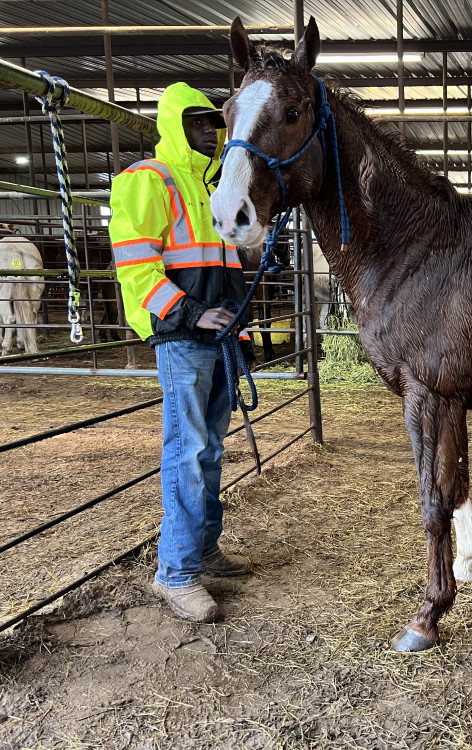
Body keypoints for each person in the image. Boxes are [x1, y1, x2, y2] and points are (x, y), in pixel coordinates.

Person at [109, 82, 257, 623]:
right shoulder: (150, 180)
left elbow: (228, 269)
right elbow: (135, 266)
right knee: (189, 451)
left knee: (210, 448)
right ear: (174, 124)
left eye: (211, 125)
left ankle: (203, 551)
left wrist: (239, 326)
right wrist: (191, 313)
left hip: (219, 336)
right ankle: (174, 571)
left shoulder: (214, 186)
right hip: (182, 336)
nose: (207, 133)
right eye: (197, 123)